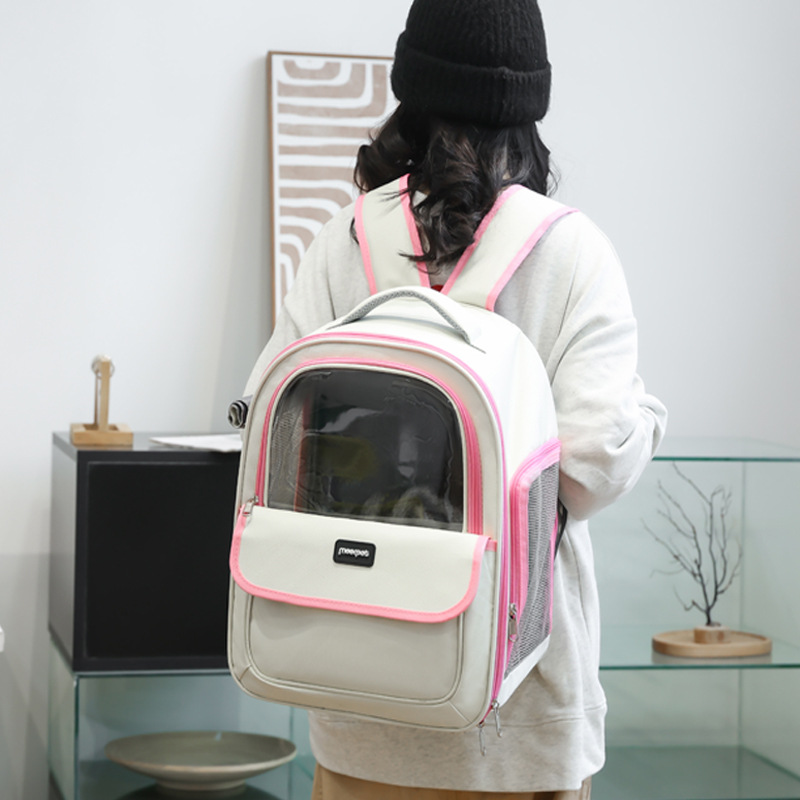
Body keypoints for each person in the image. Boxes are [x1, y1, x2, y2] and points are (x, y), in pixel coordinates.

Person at [244, 0, 667, 797]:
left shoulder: (345, 239)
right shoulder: (571, 250)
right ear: (530, 105)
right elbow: (591, 465)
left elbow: (272, 421)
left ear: (410, 86)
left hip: (358, 694)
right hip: (518, 715)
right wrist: (644, 418)